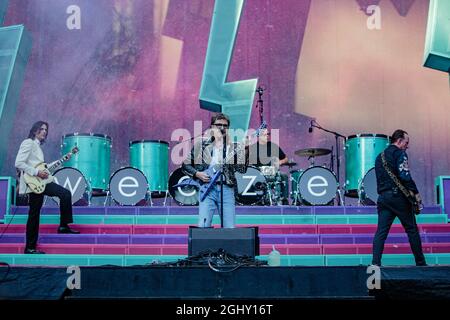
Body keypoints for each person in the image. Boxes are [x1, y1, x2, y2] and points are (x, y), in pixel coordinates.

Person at [15, 121, 79, 254]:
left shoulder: (37, 147)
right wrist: (36, 172)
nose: (44, 131)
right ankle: (30, 247)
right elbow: (19, 163)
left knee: (63, 195)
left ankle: (62, 226)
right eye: (42, 129)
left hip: (40, 181)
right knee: (35, 213)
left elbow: (44, 167)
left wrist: (62, 160)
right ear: (34, 131)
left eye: (46, 130)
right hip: (33, 181)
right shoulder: (28, 143)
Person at [182, 113, 247, 228]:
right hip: (207, 189)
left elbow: (242, 169)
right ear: (212, 127)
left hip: (227, 189)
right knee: (203, 225)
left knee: (229, 227)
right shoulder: (201, 146)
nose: (222, 128)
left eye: (225, 125)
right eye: (218, 125)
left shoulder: (234, 147)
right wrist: (197, 174)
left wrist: (246, 151)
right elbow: (185, 165)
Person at [372, 129, 427, 266]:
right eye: (406, 143)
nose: (407, 146)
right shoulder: (400, 153)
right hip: (399, 198)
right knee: (412, 230)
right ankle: (421, 264)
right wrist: (416, 193)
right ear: (399, 140)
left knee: (381, 233)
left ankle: (375, 264)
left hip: (383, 198)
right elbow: (404, 176)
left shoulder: (379, 157)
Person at [248, 128, 289, 204]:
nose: (267, 136)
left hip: (272, 172)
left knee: (284, 176)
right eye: (265, 134)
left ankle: (283, 199)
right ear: (259, 136)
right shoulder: (252, 147)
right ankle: (252, 199)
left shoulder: (273, 146)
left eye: (268, 134)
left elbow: (286, 158)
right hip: (257, 173)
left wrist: (280, 162)